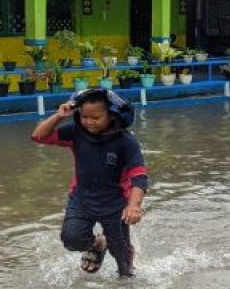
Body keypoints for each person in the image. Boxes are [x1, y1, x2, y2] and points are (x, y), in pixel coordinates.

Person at [31, 87, 148, 277]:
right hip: (81, 200)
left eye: (95, 118)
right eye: (84, 117)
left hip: (115, 205)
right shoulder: (76, 133)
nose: (89, 122)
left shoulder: (126, 142)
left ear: (111, 115)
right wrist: (59, 116)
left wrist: (134, 205)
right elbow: (38, 136)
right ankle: (97, 244)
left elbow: (139, 175)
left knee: (124, 266)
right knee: (71, 239)